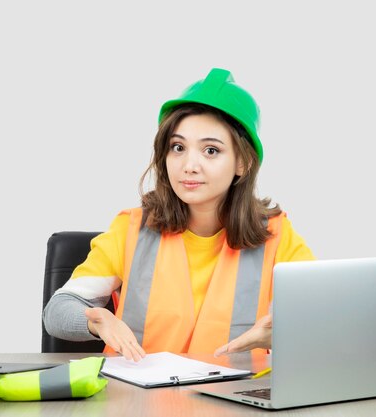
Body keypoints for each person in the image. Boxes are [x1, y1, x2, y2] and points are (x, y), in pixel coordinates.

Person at [43, 68, 315, 362]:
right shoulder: (131, 229)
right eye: (178, 147)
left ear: (243, 162)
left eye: (211, 150)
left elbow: (322, 315)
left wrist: (288, 332)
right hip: (136, 400)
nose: (189, 165)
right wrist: (95, 323)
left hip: (232, 400)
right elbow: (58, 310)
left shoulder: (277, 235)